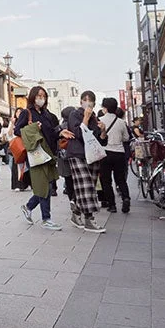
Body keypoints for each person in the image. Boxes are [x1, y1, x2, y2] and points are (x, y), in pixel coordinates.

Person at [18, 86, 62, 231]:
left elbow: (51, 132)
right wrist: (33, 127)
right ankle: (46, 218)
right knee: (45, 185)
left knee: (45, 185)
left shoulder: (46, 114)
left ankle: (29, 207)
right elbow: (18, 130)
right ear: (32, 97)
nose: (41, 98)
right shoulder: (27, 113)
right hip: (36, 153)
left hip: (48, 153)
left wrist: (61, 133)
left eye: (43, 96)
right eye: (38, 95)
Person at [63, 90, 106, 233]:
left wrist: (103, 131)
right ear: (81, 101)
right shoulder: (75, 114)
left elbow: (100, 141)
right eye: (85, 99)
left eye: (91, 100)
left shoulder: (94, 117)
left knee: (87, 187)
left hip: (92, 155)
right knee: (86, 185)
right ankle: (89, 219)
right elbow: (79, 134)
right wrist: (85, 118)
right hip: (77, 153)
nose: (88, 102)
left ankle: (76, 214)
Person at [97, 96, 132, 214]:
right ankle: (126, 198)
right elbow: (126, 138)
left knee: (106, 181)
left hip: (104, 153)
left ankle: (112, 205)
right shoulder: (121, 122)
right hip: (119, 153)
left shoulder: (99, 120)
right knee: (121, 179)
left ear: (104, 108)